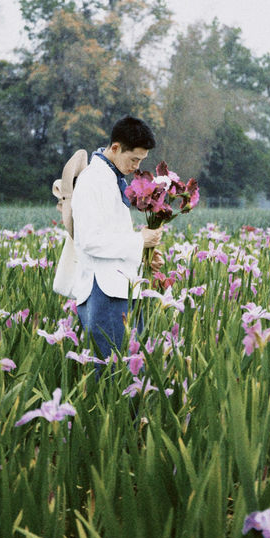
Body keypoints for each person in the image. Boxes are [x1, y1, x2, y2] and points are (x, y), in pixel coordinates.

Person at [71, 115, 163, 360]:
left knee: (129, 369)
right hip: (104, 291)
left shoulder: (112, 178)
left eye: (141, 160)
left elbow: (112, 233)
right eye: (134, 159)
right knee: (113, 373)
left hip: (119, 287)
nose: (136, 166)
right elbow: (91, 240)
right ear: (115, 148)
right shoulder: (93, 180)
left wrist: (143, 256)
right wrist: (140, 241)